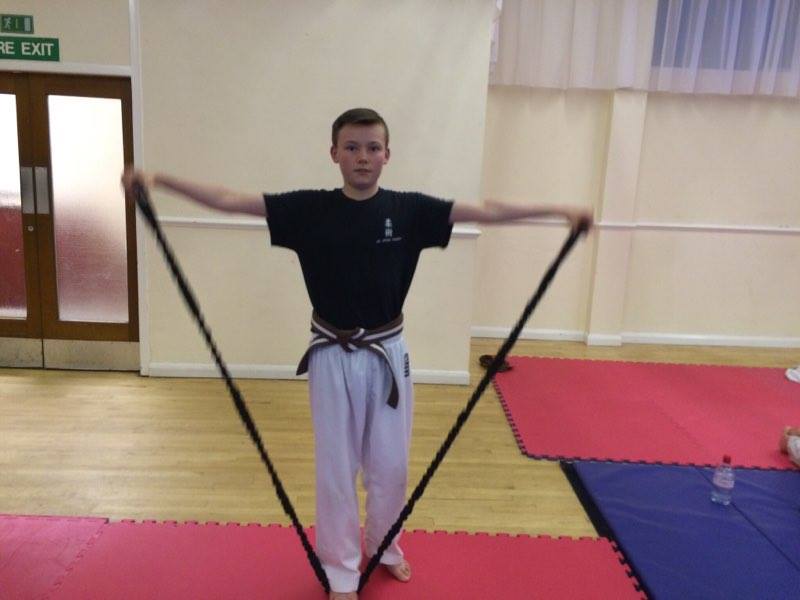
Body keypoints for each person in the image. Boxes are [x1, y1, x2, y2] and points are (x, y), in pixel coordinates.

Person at [123, 107, 592, 599]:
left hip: (389, 352)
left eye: (372, 148)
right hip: (331, 353)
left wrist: (557, 211)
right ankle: (341, 569)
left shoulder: (409, 210)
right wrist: (158, 180)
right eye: (351, 147)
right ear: (334, 154)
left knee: (390, 465)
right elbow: (231, 200)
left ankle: (386, 546)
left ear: (387, 155)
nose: (362, 157)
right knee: (336, 467)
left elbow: (483, 210)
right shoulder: (309, 210)